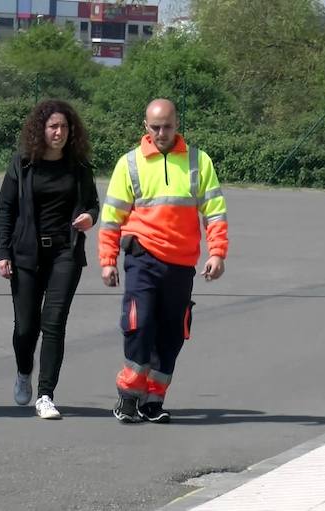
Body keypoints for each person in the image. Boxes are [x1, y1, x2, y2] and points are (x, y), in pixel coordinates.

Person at [98, 98, 228, 424]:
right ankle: (129, 396)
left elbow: (214, 213)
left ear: (177, 124)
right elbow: (112, 217)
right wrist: (108, 259)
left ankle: (153, 401)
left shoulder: (199, 163)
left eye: (167, 126)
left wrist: (217, 253)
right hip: (142, 259)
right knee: (138, 326)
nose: (161, 133)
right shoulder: (129, 164)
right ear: (145, 126)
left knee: (171, 334)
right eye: (155, 127)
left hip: (182, 265)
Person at [0, 99, 99, 419]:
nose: (59, 132)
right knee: (26, 327)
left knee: (54, 324)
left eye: (64, 127)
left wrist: (88, 219)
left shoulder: (78, 166)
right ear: (41, 129)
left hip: (64, 253)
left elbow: (93, 205)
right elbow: (6, 209)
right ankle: (24, 370)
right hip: (26, 253)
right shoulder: (23, 163)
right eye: (53, 126)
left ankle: (45, 394)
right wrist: (3, 253)